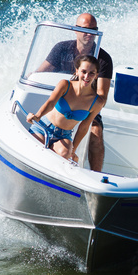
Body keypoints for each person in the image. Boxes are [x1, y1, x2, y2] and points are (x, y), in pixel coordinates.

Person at [36, 12, 112, 171]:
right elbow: (39, 73)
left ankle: (96, 175)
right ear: (75, 30)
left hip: (86, 103)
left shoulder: (103, 59)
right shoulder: (61, 48)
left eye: (93, 30)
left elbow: (102, 97)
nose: (89, 34)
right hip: (60, 97)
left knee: (96, 130)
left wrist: (86, 100)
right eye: (84, 29)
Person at [26, 55, 106, 163]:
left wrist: (73, 150)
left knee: (65, 154)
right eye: (84, 71)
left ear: (96, 75)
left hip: (64, 136)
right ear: (77, 71)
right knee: (35, 150)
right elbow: (50, 103)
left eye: (91, 73)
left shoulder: (97, 102)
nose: (87, 76)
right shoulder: (65, 85)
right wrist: (37, 116)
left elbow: (84, 127)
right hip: (43, 127)